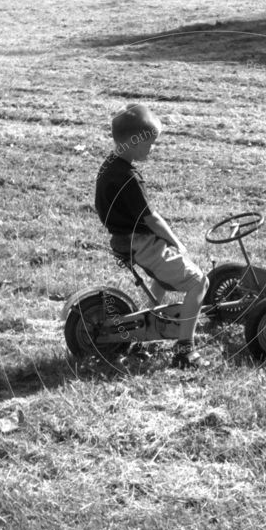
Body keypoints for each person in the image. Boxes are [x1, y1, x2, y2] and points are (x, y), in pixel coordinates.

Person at [94, 103, 210, 369]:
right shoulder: (129, 177)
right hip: (141, 242)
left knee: (161, 278)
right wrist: (176, 241)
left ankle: (147, 331)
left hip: (125, 240)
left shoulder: (109, 166)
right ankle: (185, 350)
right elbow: (151, 218)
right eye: (150, 143)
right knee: (199, 283)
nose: (152, 149)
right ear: (136, 143)